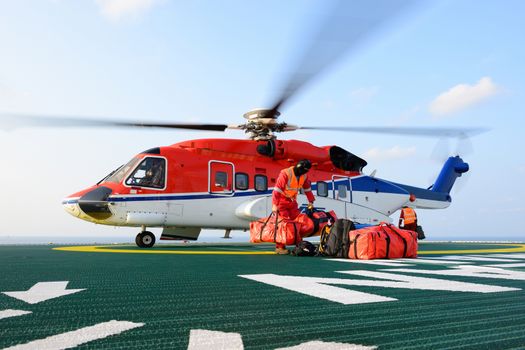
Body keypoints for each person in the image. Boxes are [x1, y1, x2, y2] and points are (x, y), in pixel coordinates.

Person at [271, 159, 315, 254]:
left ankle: (299, 245)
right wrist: (275, 205)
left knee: (298, 221)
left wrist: (311, 201)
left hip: (292, 202)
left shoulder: (304, 176)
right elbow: (277, 190)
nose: (304, 173)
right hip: (281, 202)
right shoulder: (286, 173)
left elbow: (307, 189)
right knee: (283, 223)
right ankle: (279, 247)